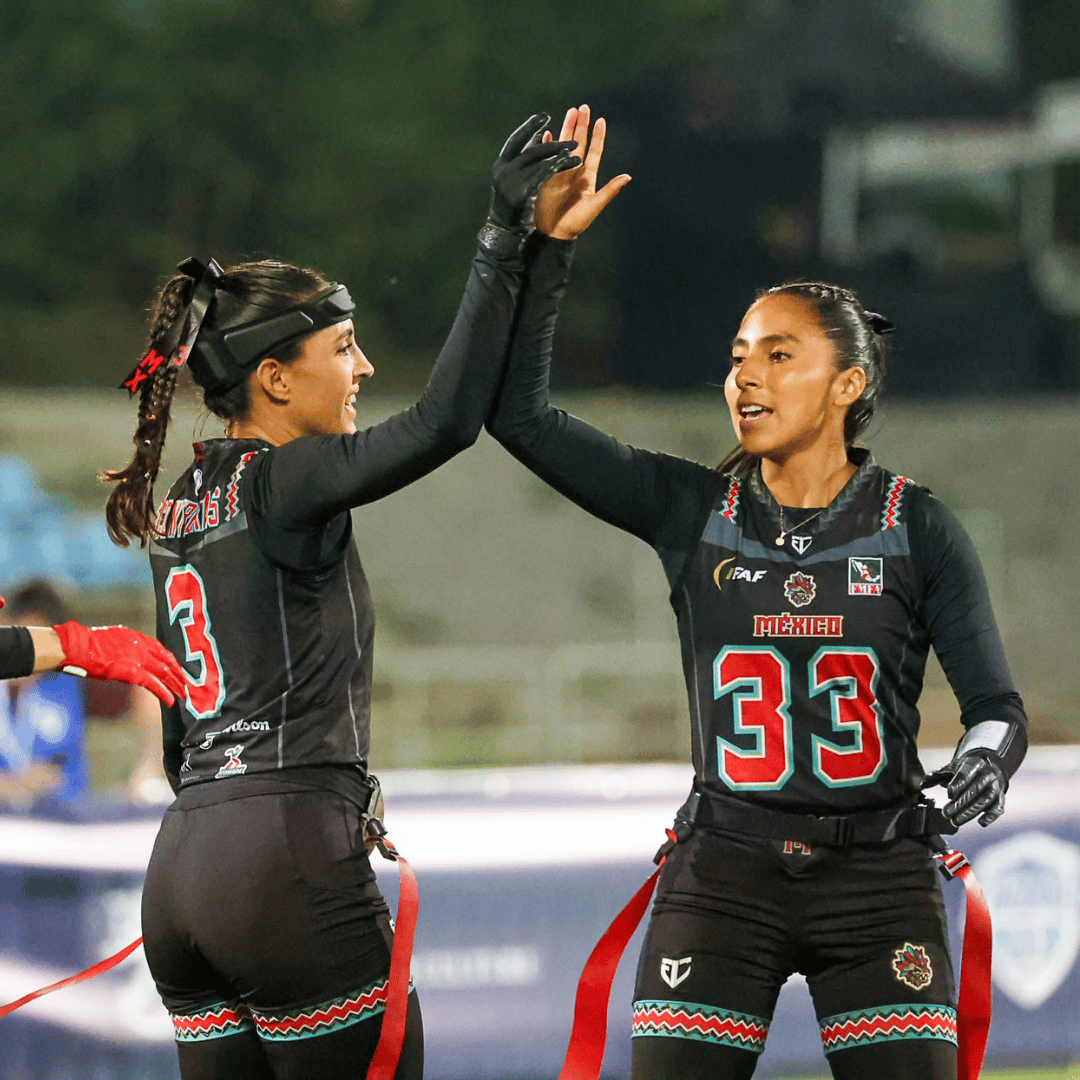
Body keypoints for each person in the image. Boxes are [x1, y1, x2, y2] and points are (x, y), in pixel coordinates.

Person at [486, 106, 1026, 1080]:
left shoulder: (916, 523)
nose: (747, 375)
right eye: (739, 355)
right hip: (724, 869)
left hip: (880, 875)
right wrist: (543, 252)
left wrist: (987, 764)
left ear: (849, 383)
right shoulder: (690, 506)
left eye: (780, 355)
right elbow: (517, 416)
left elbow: (993, 708)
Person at [102, 114, 579, 1080]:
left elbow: (179, 730)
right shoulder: (289, 479)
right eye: (346, 347)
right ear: (274, 378)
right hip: (283, 863)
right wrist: (502, 238)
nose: (362, 369)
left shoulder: (184, 503)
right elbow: (449, 421)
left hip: (183, 869)